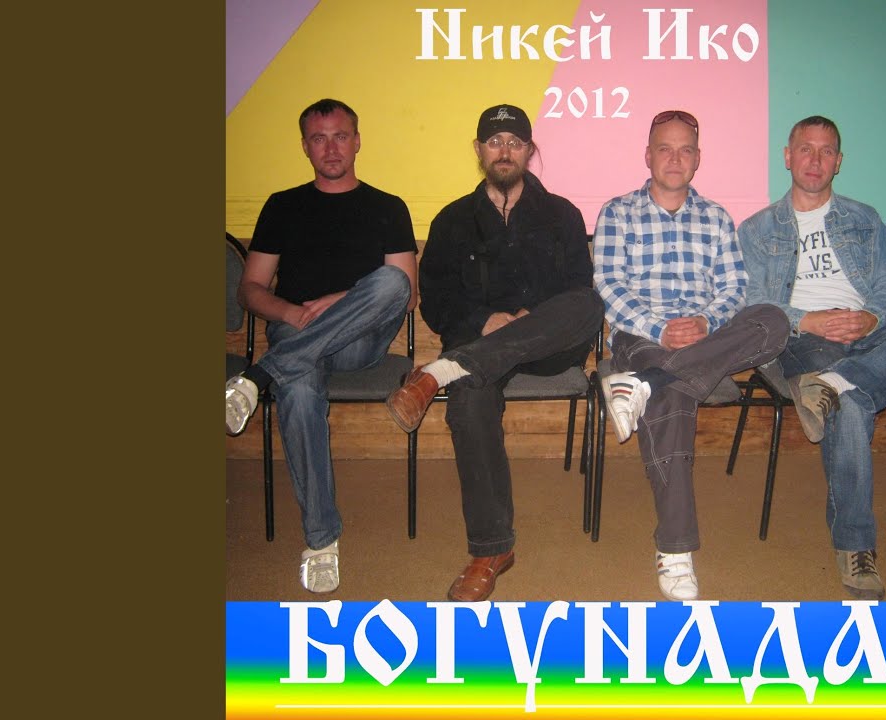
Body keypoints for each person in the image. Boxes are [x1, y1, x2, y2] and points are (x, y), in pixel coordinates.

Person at [385, 104, 604, 602]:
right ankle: (490, 552)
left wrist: (529, 318)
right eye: (494, 142)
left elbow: (578, 287)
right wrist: (485, 321)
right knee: (470, 398)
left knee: (588, 304)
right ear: (479, 150)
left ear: (530, 151)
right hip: (478, 340)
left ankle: (440, 372)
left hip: (546, 347)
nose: (505, 151)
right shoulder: (451, 220)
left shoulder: (563, 215)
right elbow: (436, 300)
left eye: (515, 142)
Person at [737, 115, 886, 600]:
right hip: (804, 339)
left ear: (839, 162)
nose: (815, 160)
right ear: (787, 157)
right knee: (851, 407)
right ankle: (855, 546)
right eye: (805, 149)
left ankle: (834, 384)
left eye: (826, 151)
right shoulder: (757, 229)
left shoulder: (864, 218)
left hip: (872, 335)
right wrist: (808, 320)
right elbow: (752, 302)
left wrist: (870, 317)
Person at [224, 98, 418, 594]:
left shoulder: (388, 206)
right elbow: (250, 289)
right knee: (300, 386)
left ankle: (258, 376)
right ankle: (321, 541)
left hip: (360, 342)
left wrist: (337, 301)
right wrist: (289, 312)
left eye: (340, 136)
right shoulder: (282, 206)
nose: (331, 148)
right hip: (295, 332)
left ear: (357, 141)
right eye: (319, 138)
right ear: (305, 147)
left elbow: (405, 294)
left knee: (391, 283)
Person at [594, 109, 789, 601]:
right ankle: (675, 548)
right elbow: (609, 286)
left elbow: (734, 289)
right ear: (648, 155)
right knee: (673, 399)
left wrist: (705, 323)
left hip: (707, 337)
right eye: (665, 148)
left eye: (686, 150)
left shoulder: (717, 218)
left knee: (773, 320)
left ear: (698, 159)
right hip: (642, 335)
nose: (675, 159)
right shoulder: (618, 213)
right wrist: (661, 328)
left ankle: (644, 384)